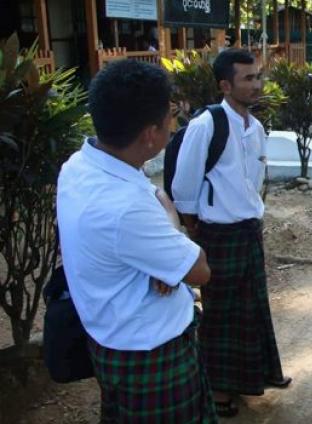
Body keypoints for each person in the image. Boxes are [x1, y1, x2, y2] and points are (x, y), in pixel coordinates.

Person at [56, 60, 216, 422]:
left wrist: (163, 256)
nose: (173, 123)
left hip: (110, 339)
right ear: (149, 134)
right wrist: (171, 228)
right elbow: (199, 270)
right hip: (152, 354)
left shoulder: (79, 166)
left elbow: (150, 198)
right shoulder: (126, 208)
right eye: (169, 116)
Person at [172, 48, 290, 417]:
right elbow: (183, 186)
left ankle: (259, 373)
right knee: (221, 314)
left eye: (258, 77)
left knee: (252, 306)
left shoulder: (256, 128)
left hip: (248, 231)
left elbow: (253, 182)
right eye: (248, 78)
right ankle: (220, 389)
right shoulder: (206, 125)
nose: (257, 85)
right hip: (218, 234)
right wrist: (195, 227)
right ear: (225, 85)